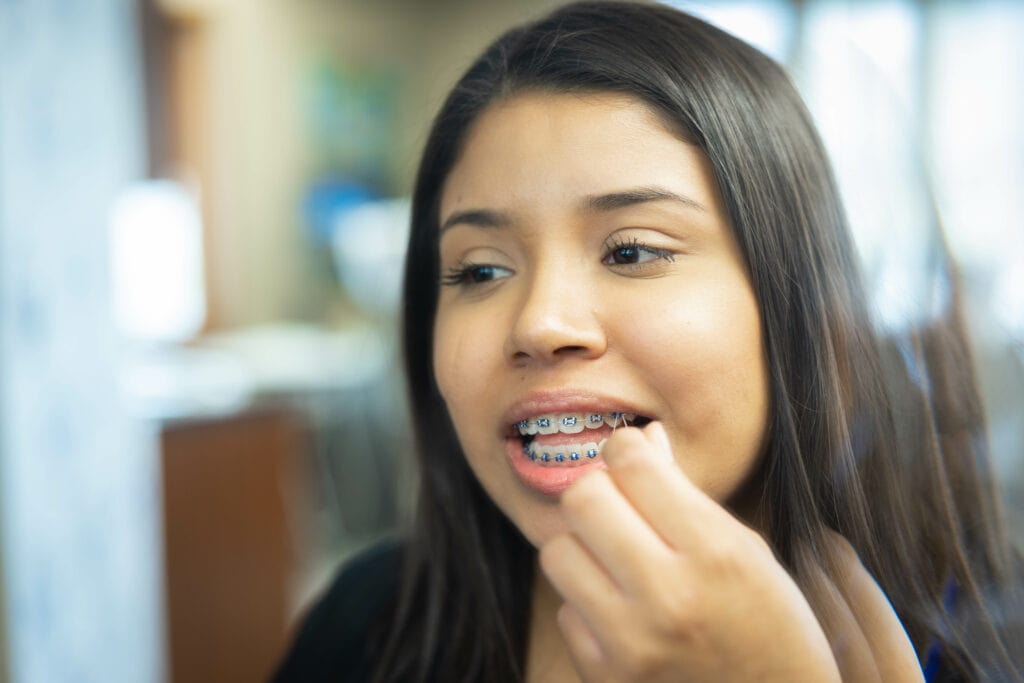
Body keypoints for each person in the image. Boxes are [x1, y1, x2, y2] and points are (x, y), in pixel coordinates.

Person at [273, 2, 1022, 681]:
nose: (539, 323)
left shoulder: (988, 645)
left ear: (798, 309)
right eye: (481, 269)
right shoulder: (362, 627)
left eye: (631, 251)